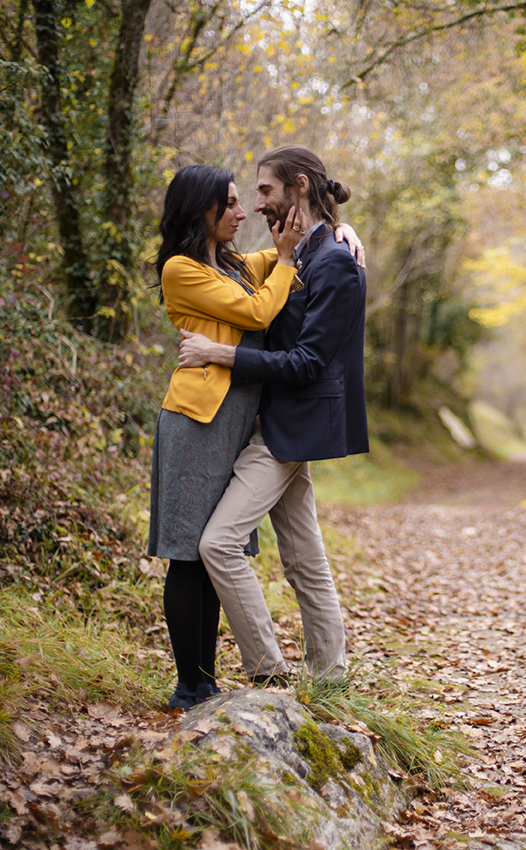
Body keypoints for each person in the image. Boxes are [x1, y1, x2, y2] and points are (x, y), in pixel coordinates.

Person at [149, 163, 361, 711]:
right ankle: (195, 683)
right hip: (199, 419)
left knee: (225, 550)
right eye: (235, 203)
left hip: (248, 422)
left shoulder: (236, 263)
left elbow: (295, 260)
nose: (247, 211)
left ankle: (244, 678)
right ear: (203, 210)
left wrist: (342, 229)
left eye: (257, 196)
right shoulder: (182, 268)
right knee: (190, 551)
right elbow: (260, 305)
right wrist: (291, 255)